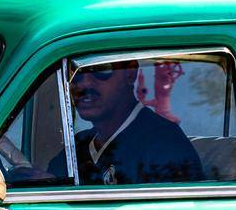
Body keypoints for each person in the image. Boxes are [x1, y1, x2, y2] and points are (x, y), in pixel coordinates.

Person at [51, 64, 202, 185]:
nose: (84, 84)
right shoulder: (77, 148)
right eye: (74, 73)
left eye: (101, 69)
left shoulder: (165, 144)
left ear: (130, 73)